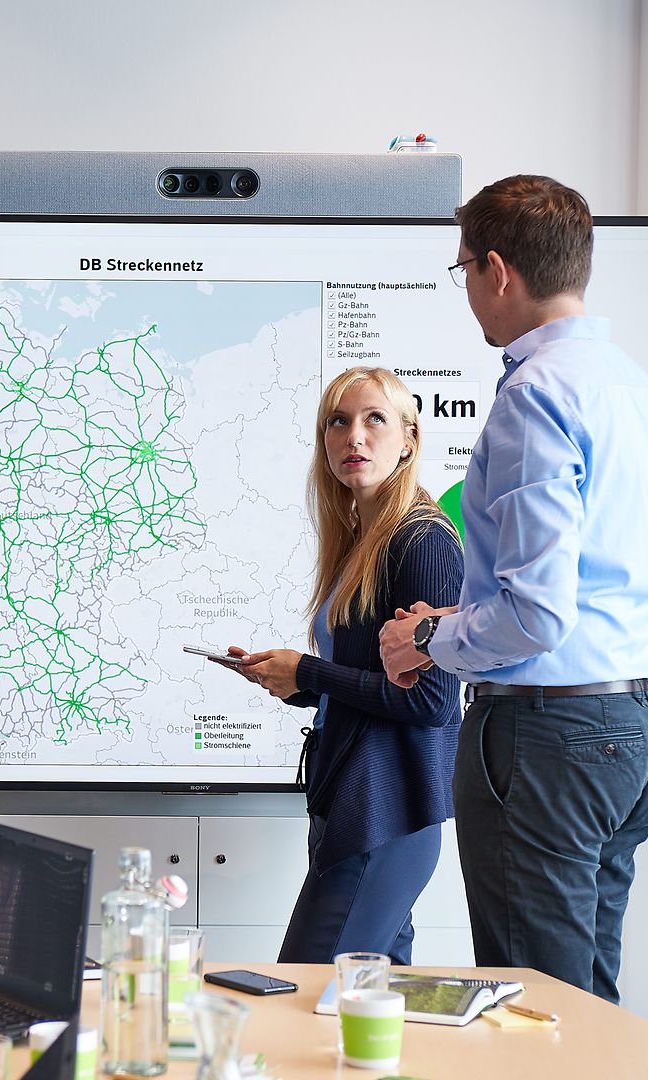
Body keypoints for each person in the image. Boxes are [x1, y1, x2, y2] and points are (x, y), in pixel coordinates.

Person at [377, 175, 648, 1003]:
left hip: (548, 737)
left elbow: (541, 613)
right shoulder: (635, 388)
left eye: (464, 270)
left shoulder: (535, 394)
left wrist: (428, 638)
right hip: (632, 724)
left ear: (498, 270)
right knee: (588, 1007)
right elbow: (583, 577)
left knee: (534, 1012)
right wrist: (458, 616)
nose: (468, 290)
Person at [221, 366, 463, 965]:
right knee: (373, 1021)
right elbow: (370, 683)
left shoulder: (422, 539)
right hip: (353, 803)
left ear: (409, 438)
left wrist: (310, 673)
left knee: (303, 992)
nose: (354, 436)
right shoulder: (361, 540)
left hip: (385, 812)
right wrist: (289, 681)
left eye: (374, 419)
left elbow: (431, 702)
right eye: (338, 421)